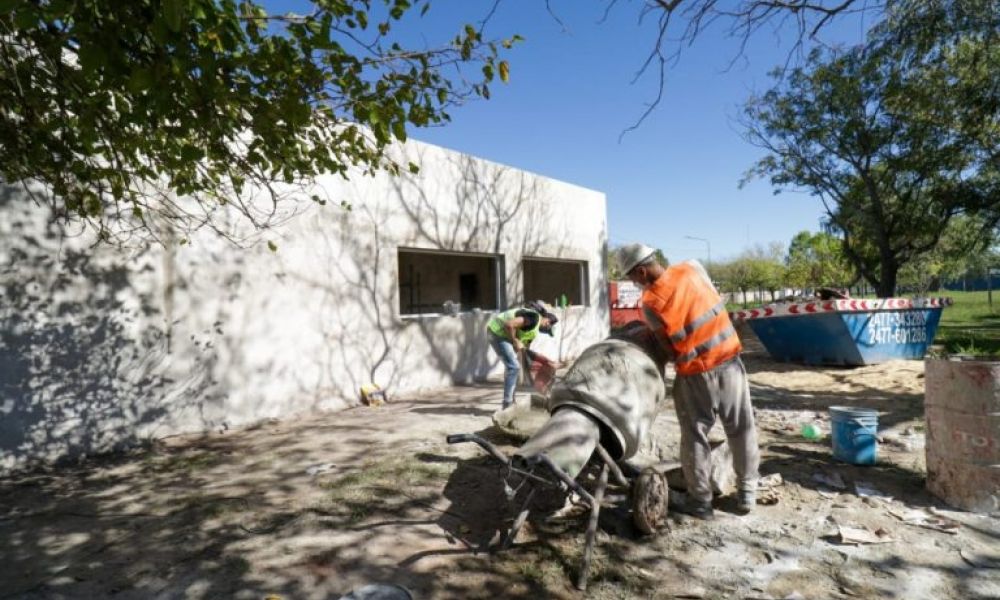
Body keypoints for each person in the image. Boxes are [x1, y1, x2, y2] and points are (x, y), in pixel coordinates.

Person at [617, 242, 760, 519]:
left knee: (695, 436)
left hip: (695, 374)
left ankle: (701, 502)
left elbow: (668, 349)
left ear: (642, 271)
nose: (635, 283)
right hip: (730, 363)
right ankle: (747, 492)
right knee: (742, 428)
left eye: (633, 277)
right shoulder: (693, 267)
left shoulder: (650, 303)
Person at [486, 301, 559, 409]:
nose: (546, 329)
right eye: (548, 326)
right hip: (496, 331)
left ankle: (511, 400)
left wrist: (539, 364)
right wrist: (515, 341)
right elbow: (509, 325)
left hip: (504, 335)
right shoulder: (533, 318)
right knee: (513, 367)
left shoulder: (533, 332)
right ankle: (508, 404)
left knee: (513, 366)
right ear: (547, 321)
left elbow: (525, 350)